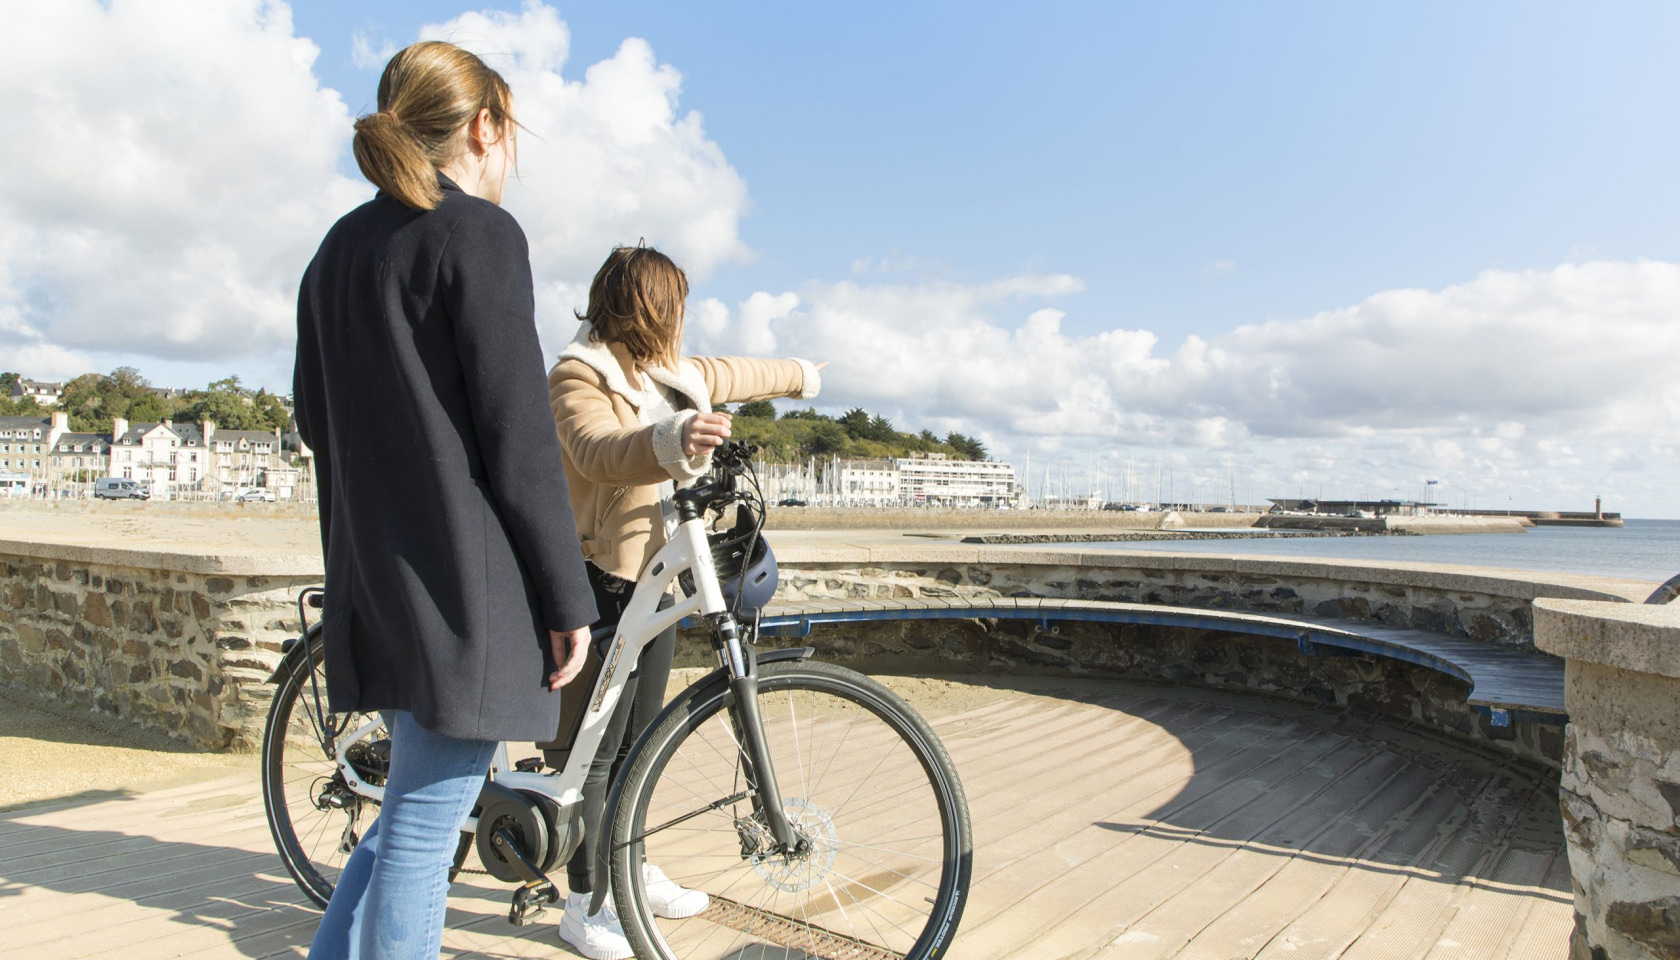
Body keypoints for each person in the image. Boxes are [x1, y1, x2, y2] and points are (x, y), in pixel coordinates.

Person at [293, 41, 596, 960]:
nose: (511, 163)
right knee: (423, 841)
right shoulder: (478, 236)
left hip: (372, 580)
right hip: (464, 592)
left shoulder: (335, 251)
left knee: (404, 828)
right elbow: (519, 441)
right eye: (511, 139)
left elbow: (315, 417)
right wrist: (564, 599)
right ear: (482, 127)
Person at [546, 246, 822, 959]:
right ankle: (584, 903)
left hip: (657, 576)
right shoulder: (580, 374)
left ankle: (627, 866)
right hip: (598, 577)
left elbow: (737, 372)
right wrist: (672, 437)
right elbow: (597, 450)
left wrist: (803, 374)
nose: (683, 320)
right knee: (595, 753)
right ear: (647, 307)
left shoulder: (670, 373)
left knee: (642, 741)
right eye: (677, 305)